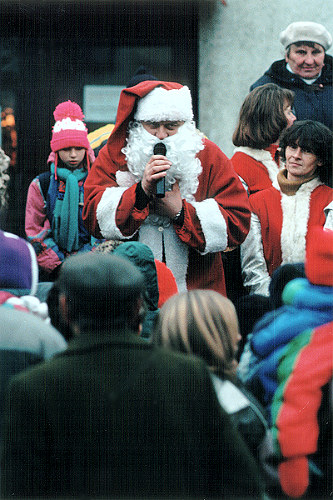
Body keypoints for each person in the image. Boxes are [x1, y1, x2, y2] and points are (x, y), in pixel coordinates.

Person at [1, 252, 263, 498]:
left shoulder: (34, 387)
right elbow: (241, 481)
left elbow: (19, 488)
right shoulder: (188, 374)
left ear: (65, 308)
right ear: (138, 307)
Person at [83, 80, 251, 296]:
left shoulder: (209, 155)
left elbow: (238, 220)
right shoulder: (116, 154)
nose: (161, 135)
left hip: (198, 292)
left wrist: (180, 212)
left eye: (171, 126)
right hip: (131, 290)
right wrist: (140, 193)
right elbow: (91, 214)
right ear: (137, 123)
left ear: (186, 123)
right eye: (152, 125)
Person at [239, 226, 333, 498]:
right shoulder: (322, 335)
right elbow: (296, 397)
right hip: (302, 451)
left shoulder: (286, 315)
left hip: (269, 423)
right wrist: (295, 468)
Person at [154, 289, 275, 489]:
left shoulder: (149, 395)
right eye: (229, 331)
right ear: (210, 339)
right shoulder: (236, 408)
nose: (238, 337)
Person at [241, 120, 333, 296]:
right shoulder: (257, 202)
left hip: (318, 302)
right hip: (268, 304)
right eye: (292, 147)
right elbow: (252, 267)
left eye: (306, 151)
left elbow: (328, 263)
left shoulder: (330, 200)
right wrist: (272, 300)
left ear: (320, 160)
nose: (296, 155)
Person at [25, 100, 100, 281]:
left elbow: (104, 230)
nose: (73, 154)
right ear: (56, 150)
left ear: (86, 149)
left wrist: (83, 261)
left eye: (79, 148)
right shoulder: (41, 184)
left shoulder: (97, 182)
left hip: (92, 270)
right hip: (52, 273)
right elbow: (34, 231)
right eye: (66, 149)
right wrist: (58, 265)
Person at [250, 21, 333, 131]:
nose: (309, 61)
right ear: (287, 55)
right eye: (301, 52)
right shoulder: (265, 88)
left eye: (316, 52)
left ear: (324, 56)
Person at [231, 83, 296, 195]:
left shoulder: (284, 158)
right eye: (288, 112)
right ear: (273, 118)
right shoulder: (240, 165)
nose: (294, 118)